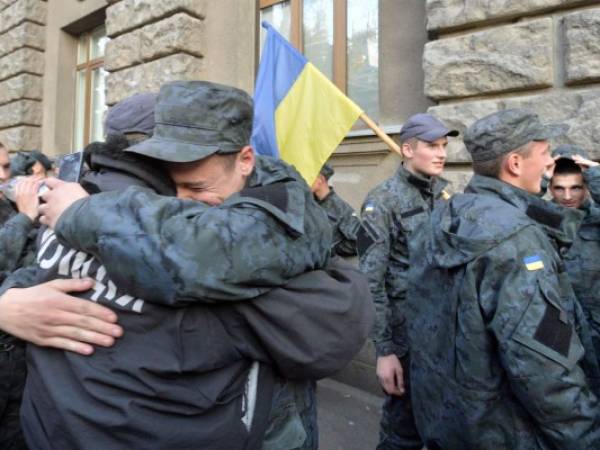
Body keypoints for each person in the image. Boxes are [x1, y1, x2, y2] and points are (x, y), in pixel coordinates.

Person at [5, 82, 372, 449]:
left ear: (245, 161)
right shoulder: (91, 212)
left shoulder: (78, 205)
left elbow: (335, 317)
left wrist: (80, 213)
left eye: (197, 187)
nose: (184, 202)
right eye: (176, 184)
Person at [408, 109, 600, 450]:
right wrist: (586, 437)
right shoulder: (516, 239)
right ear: (514, 163)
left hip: (452, 424)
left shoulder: (445, 215)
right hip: (509, 432)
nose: (549, 163)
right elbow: (543, 366)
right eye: (544, 153)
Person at [358, 113, 458, 450]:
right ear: (408, 150)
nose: (441, 153)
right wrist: (384, 351)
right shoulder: (381, 201)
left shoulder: (446, 195)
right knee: (403, 429)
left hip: (445, 331)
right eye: (432, 146)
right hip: (406, 337)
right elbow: (370, 281)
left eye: (444, 145)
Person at [547, 144, 600, 359]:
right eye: (559, 188)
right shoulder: (539, 219)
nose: (567, 196)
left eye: (576, 187)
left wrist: (596, 177)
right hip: (560, 328)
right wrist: (541, 177)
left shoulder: (597, 218)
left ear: (587, 187)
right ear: (550, 188)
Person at [311, 162, 360, 256]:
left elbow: (357, 242)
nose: (305, 181)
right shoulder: (309, 203)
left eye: (310, 177)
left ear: (320, 179)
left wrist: (331, 251)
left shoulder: (340, 208)